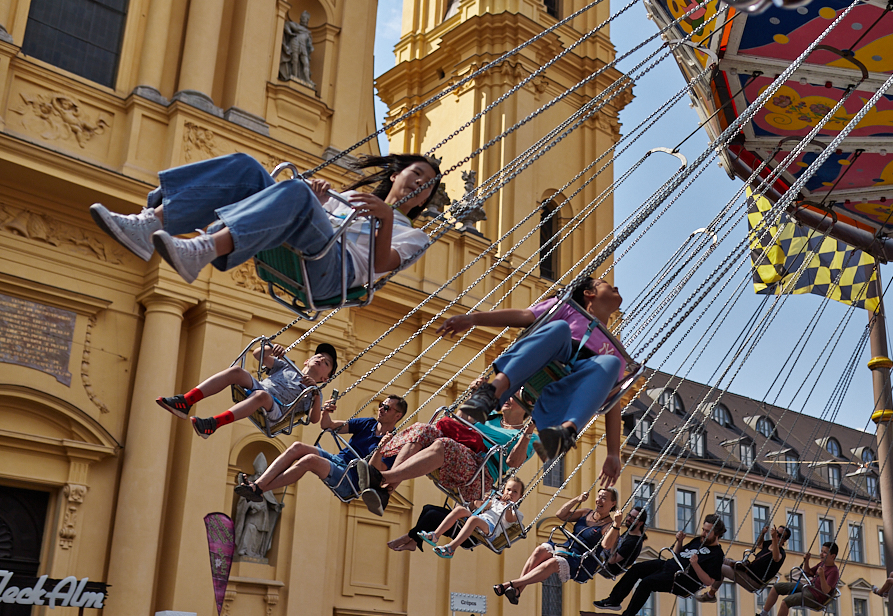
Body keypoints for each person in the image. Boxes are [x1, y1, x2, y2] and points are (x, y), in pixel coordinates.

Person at [90, 153, 440, 291]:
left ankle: (201, 249)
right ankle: (148, 224)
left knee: (297, 193)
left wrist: (385, 219)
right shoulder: (349, 197)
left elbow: (381, 265)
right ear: (395, 174)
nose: (419, 182)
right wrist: (318, 205)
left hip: (334, 272)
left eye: (428, 185)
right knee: (246, 167)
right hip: (305, 245)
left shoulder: (414, 235)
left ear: (425, 199)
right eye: (416, 173)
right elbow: (317, 220)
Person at [436, 276, 626, 481]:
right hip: (549, 359)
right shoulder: (568, 309)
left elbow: (613, 402)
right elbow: (523, 315)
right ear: (589, 293)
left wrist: (613, 453)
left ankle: (566, 430)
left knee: (612, 363)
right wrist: (474, 319)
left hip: (576, 383)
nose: (615, 286)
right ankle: (492, 392)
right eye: (605, 283)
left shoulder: (616, 351)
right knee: (560, 328)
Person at [232, 395, 407, 516]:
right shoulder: (368, 423)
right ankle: (258, 485)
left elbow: (375, 472)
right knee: (297, 447)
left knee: (309, 460)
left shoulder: (394, 444)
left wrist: (380, 448)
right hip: (338, 461)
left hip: (350, 480)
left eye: (386, 408)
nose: (381, 409)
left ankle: (260, 489)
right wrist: (326, 413)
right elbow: (328, 425)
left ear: (397, 415)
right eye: (381, 405)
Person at [364, 393, 535, 505]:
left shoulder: (529, 436)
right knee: (423, 429)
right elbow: (458, 421)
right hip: (459, 453)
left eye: (513, 396)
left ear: (527, 405)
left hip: (479, 474)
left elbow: (513, 462)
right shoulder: (491, 416)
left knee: (444, 444)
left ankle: (382, 477)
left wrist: (528, 431)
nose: (507, 398)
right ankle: (387, 491)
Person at [156, 341, 336, 438]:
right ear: (307, 361)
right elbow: (258, 354)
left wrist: (314, 392)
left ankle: (213, 424)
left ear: (324, 379)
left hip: (277, 409)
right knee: (236, 372)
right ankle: (186, 401)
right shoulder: (287, 366)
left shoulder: (314, 393)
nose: (320, 360)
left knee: (262, 396)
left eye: (326, 363)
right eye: (318, 356)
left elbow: (314, 419)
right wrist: (271, 349)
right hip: (261, 388)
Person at [593, 514, 727, 616]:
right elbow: (678, 554)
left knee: (646, 584)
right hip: (668, 565)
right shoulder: (698, 540)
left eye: (707, 532)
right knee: (636, 569)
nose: (703, 533)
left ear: (716, 534)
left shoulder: (717, 555)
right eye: (703, 529)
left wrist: (695, 565)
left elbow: (709, 581)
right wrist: (680, 541)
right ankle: (614, 600)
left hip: (681, 579)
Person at [492, 489, 622, 604]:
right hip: (566, 549)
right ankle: (517, 591)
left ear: (613, 503)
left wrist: (616, 524)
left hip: (581, 562)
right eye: (599, 496)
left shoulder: (609, 526)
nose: (599, 500)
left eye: (604, 498)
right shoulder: (586, 513)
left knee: (553, 563)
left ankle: (511, 584)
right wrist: (577, 500)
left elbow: (606, 545)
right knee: (540, 550)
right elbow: (561, 515)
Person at [756, 541, 840, 616]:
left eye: (825, 552)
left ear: (833, 556)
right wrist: (806, 561)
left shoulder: (834, 571)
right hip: (808, 588)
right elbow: (809, 572)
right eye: (821, 551)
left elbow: (826, 590)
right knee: (777, 587)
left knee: (785, 602)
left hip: (816, 597)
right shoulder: (822, 564)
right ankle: (763, 614)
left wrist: (821, 576)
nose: (821, 554)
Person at [422, 477, 526, 557]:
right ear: (503, 491)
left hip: (491, 529)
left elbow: (509, 518)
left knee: (474, 519)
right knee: (460, 510)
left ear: (520, 496)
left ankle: (451, 548)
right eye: (508, 490)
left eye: (515, 491)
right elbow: (479, 505)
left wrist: (508, 505)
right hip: (480, 519)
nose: (510, 493)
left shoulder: (517, 513)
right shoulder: (496, 501)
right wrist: (483, 500)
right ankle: (435, 535)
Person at [704, 525, 789, 606]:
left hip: (753, 580)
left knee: (721, 568)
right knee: (721, 560)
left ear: (784, 540)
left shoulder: (781, 553)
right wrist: (763, 533)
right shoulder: (769, 543)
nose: (777, 536)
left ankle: (710, 594)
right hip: (748, 570)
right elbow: (759, 544)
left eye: (780, 535)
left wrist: (774, 539)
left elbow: (776, 557)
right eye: (776, 533)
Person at [601, 506, 647, 576]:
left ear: (640, 523)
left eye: (633, 518)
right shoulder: (630, 532)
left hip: (608, 567)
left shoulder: (633, 542)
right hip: (604, 557)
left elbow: (612, 560)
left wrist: (615, 540)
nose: (629, 519)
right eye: (629, 515)